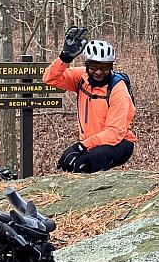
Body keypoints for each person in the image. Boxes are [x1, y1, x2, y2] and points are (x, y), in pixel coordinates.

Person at [42, 26, 136, 173]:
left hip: (119, 143)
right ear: (86, 65)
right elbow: (50, 79)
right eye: (94, 66)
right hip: (91, 143)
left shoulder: (118, 90)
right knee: (71, 165)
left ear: (111, 67)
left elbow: (114, 133)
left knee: (93, 160)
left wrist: (80, 146)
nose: (99, 72)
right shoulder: (81, 78)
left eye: (104, 67)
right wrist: (65, 57)